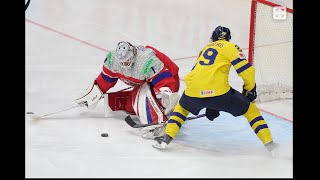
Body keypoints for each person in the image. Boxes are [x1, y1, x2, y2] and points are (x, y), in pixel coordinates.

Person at [152, 26, 279, 156]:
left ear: (213, 38)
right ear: (228, 38)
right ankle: (270, 145)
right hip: (219, 93)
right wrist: (249, 89)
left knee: (182, 109)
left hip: (193, 91)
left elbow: (198, 74)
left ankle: (166, 138)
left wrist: (209, 104)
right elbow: (247, 70)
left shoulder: (205, 49)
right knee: (250, 110)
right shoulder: (230, 47)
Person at [74, 41, 180, 136]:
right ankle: (151, 106)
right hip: (147, 83)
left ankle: (157, 121)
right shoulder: (113, 59)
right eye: (122, 62)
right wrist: (93, 94)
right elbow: (106, 79)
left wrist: (166, 95)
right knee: (130, 106)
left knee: (144, 95)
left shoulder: (145, 60)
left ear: (132, 54)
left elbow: (164, 79)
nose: (124, 64)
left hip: (169, 81)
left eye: (127, 60)